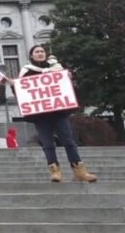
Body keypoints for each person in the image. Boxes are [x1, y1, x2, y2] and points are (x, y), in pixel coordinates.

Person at [13, 45, 96, 182]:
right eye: (36, 52)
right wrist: (13, 84)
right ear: (31, 56)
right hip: (40, 114)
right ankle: (55, 171)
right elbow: (21, 92)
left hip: (58, 111)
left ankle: (79, 171)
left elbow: (64, 86)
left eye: (42, 51)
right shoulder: (26, 72)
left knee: (69, 141)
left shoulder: (57, 68)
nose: (40, 53)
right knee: (48, 143)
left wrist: (67, 77)